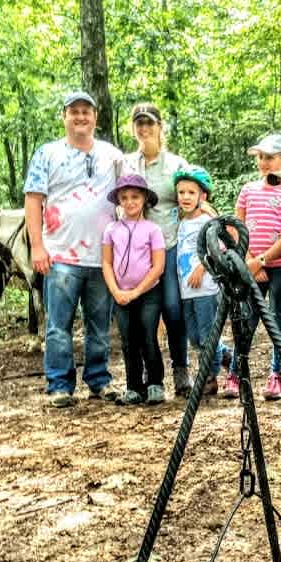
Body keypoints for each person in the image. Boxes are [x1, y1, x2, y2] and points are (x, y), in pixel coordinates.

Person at [24, 90, 124, 407]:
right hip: (60, 254)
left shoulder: (112, 155)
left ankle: (98, 380)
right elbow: (33, 200)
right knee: (58, 326)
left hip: (101, 256)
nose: (80, 116)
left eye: (86, 111)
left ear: (95, 117)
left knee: (99, 326)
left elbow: (129, 196)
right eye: (74, 111)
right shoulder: (47, 154)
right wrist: (37, 247)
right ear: (64, 117)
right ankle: (59, 385)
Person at [124, 102, 199, 398]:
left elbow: (193, 194)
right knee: (143, 313)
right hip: (136, 249)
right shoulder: (127, 163)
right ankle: (148, 373)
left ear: (160, 127)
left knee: (172, 308)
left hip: (170, 244)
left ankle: (181, 369)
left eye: (149, 123)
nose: (144, 129)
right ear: (133, 128)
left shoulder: (175, 164)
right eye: (139, 123)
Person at [224, 134, 281, 401]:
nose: (264, 162)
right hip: (251, 266)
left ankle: (278, 374)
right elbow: (236, 227)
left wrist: (263, 260)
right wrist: (249, 261)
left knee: (279, 318)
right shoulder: (248, 190)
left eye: (270, 157)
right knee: (247, 318)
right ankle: (236, 372)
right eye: (261, 157)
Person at [102, 174, 166, 406]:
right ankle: (133, 387)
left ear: (145, 199)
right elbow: (107, 263)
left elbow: (158, 266)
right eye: (125, 197)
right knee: (128, 340)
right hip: (120, 294)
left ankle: (155, 384)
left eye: (135, 197)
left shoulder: (152, 229)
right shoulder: (111, 229)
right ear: (119, 200)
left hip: (148, 293)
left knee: (148, 336)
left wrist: (137, 291)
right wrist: (116, 291)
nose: (130, 202)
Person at [174, 167, 222, 397]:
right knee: (194, 336)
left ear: (202, 196)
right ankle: (225, 355)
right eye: (181, 192)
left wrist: (201, 268)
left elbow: (219, 247)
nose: (185, 197)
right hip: (186, 290)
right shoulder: (182, 222)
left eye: (191, 192)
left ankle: (210, 377)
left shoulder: (207, 220)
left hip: (205, 287)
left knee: (206, 335)